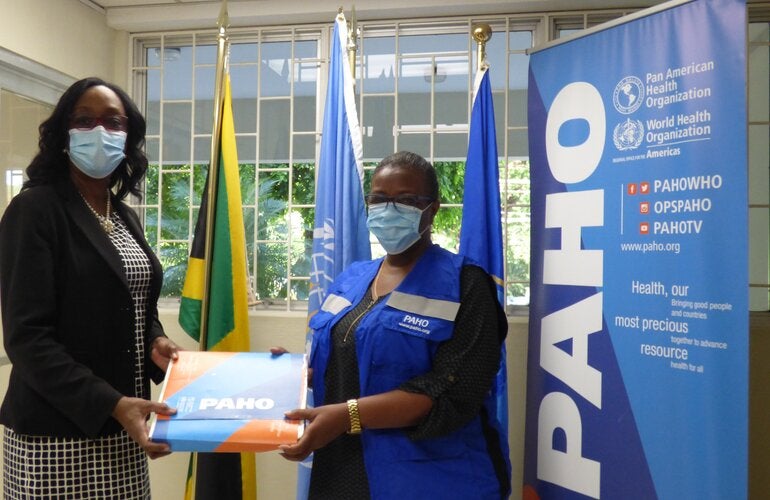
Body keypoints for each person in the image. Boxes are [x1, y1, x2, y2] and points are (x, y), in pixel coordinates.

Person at [278, 151, 510, 499]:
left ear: (431, 209)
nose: (389, 210)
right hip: (341, 469)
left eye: (405, 200)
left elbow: (454, 390)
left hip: (430, 477)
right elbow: (340, 359)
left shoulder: (465, 284)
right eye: (379, 199)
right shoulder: (351, 279)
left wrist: (348, 416)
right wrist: (290, 373)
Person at [0, 77, 180, 498]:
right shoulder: (35, 210)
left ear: (128, 136)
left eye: (113, 122)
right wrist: (112, 404)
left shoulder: (122, 215)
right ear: (64, 134)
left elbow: (133, 306)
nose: (100, 132)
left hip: (126, 429)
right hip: (56, 435)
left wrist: (156, 341)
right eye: (85, 120)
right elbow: (28, 339)